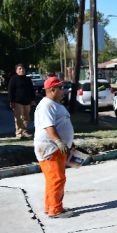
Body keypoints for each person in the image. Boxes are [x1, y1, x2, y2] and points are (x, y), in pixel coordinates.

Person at [34, 77, 74, 219]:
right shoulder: (47, 105)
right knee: (57, 179)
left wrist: (69, 143)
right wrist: (59, 142)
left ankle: (50, 206)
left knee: (52, 179)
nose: (64, 90)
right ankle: (56, 210)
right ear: (52, 89)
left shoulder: (55, 104)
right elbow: (49, 126)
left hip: (56, 148)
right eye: (61, 87)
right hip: (51, 148)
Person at [8, 63, 36, 139]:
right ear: (16, 71)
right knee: (19, 118)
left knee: (26, 118)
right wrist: (11, 101)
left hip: (27, 101)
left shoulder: (28, 79)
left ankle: (24, 132)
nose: (22, 70)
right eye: (20, 69)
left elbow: (31, 90)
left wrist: (32, 99)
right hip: (17, 101)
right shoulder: (14, 79)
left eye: (23, 68)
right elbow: (10, 90)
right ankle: (19, 133)